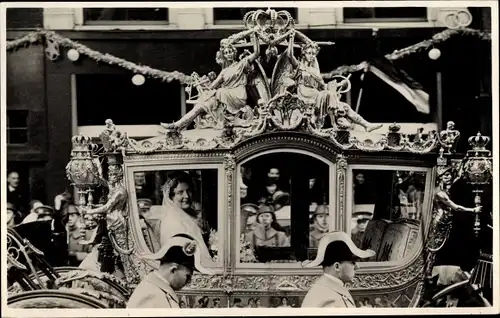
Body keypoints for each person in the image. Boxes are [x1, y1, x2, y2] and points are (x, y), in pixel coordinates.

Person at [161, 32, 261, 130]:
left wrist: (254, 34)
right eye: (226, 53)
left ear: (234, 52)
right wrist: (200, 83)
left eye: (230, 52)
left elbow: (256, 53)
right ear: (224, 56)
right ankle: (177, 125)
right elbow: (212, 87)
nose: (228, 54)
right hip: (224, 96)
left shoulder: (241, 64)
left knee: (218, 92)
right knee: (201, 105)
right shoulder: (224, 71)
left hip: (237, 95)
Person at [285, 32, 382, 133]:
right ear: (304, 54)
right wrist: (291, 39)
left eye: (313, 54)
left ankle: (366, 125)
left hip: (317, 94)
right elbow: (289, 55)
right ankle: (334, 121)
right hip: (305, 94)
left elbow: (322, 86)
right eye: (309, 53)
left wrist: (339, 85)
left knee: (345, 106)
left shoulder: (315, 70)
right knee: (329, 95)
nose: (311, 56)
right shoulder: (300, 66)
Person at [127, 233, 213, 308]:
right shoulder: (149, 295)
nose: (189, 281)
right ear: (173, 270)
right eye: (187, 276)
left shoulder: (156, 290)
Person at [301, 231, 376, 308]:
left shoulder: (329, 289)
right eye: (353, 262)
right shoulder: (328, 300)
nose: (357, 267)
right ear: (337, 266)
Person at [159, 172, 215, 267]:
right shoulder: (172, 222)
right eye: (180, 192)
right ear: (171, 196)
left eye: (189, 191)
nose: (187, 196)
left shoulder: (187, 216)